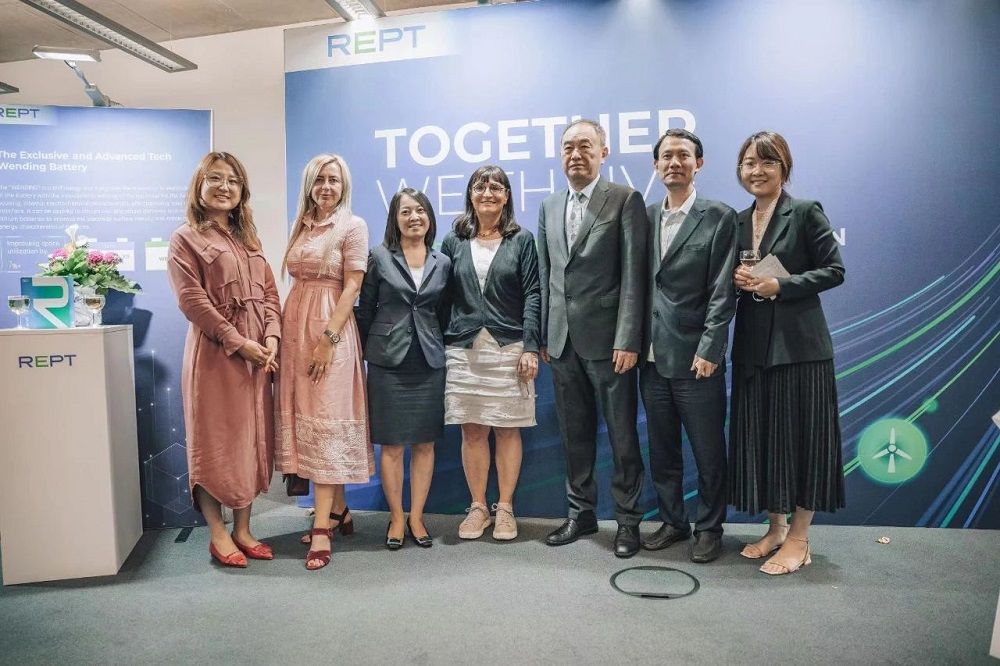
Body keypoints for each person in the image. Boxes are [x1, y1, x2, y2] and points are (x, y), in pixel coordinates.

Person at [730, 131, 846, 575]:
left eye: (768, 163)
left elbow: (834, 270)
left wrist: (781, 285)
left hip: (800, 348)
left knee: (803, 443)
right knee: (765, 441)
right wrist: (739, 280)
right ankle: (776, 529)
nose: (757, 171)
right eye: (749, 163)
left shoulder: (805, 211)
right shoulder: (738, 220)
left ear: (784, 168)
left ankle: (799, 539)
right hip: (753, 348)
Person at [537, 119, 649, 558]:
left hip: (610, 343)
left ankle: (628, 522)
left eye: (585, 146)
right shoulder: (548, 206)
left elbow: (634, 276)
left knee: (622, 437)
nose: (576, 154)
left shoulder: (624, 198)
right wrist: (544, 334)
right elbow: (547, 275)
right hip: (561, 342)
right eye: (568, 147)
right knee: (574, 436)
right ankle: (580, 513)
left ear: (604, 152)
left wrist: (628, 337)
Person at [167, 151, 281, 568]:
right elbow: (192, 301)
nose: (224, 187)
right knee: (214, 442)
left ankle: (244, 529)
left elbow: (270, 293)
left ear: (242, 190)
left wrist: (272, 335)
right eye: (215, 178)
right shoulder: (185, 238)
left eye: (233, 180)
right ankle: (218, 533)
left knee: (250, 441)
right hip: (215, 356)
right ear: (199, 185)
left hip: (256, 356)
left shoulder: (248, 237)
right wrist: (238, 341)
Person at [640, 129, 737, 563]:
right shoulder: (643, 217)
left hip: (697, 358)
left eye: (683, 155)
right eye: (666, 156)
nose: (674, 162)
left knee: (708, 451)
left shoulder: (719, 216)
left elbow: (722, 290)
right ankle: (673, 521)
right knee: (663, 451)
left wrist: (711, 348)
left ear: (699, 163)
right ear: (656, 165)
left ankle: (710, 528)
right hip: (650, 359)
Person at [275, 154, 373, 571]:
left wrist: (328, 340)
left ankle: (321, 529)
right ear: (309, 185)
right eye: (319, 180)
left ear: (343, 185)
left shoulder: (353, 226)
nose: (326, 187)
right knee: (308, 419)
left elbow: (352, 287)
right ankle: (338, 512)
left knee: (327, 420)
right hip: (295, 326)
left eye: (333, 180)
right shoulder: (301, 224)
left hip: (331, 329)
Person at [440, 166, 541, 541]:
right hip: (464, 349)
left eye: (496, 187)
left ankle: (506, 508)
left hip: (509, 348)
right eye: (480, 187)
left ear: (506, 196)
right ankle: (478, 507)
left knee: (508, 430)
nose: (487, 193)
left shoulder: (522, 239)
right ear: (470, 195)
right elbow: (442, 296)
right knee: (472, 430)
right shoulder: (453, 240)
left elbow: (533, 294)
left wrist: (531, 346)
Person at [356, 188, 450, 550]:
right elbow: (365, 308)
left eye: (420, 210)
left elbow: (443, 311)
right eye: (406, 212)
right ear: (395, 220)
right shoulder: (379, 256)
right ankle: (396, 517)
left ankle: (417, 516)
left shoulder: (443, 261)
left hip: (428, 360)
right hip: (388, 361)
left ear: (429, 217)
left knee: (425, 444)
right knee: (392, 446)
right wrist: (372, 346)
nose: (414, 217)